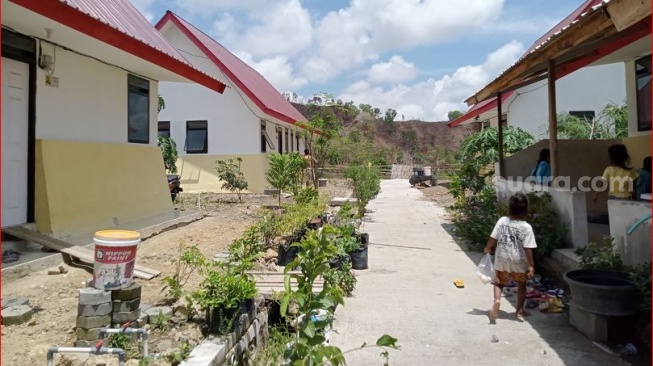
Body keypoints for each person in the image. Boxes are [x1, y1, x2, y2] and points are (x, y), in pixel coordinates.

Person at [484, 193, 537, 319]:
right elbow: (528, 248)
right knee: (522, 284)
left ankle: (497, 300)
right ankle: (519, 310)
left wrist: (488, 248)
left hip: (502, 258)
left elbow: (493, 237)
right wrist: (530, 265)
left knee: (499, 282)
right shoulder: (526, 227)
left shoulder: (502, 221)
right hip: (518, 260)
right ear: (525, 210)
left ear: (510, 208)